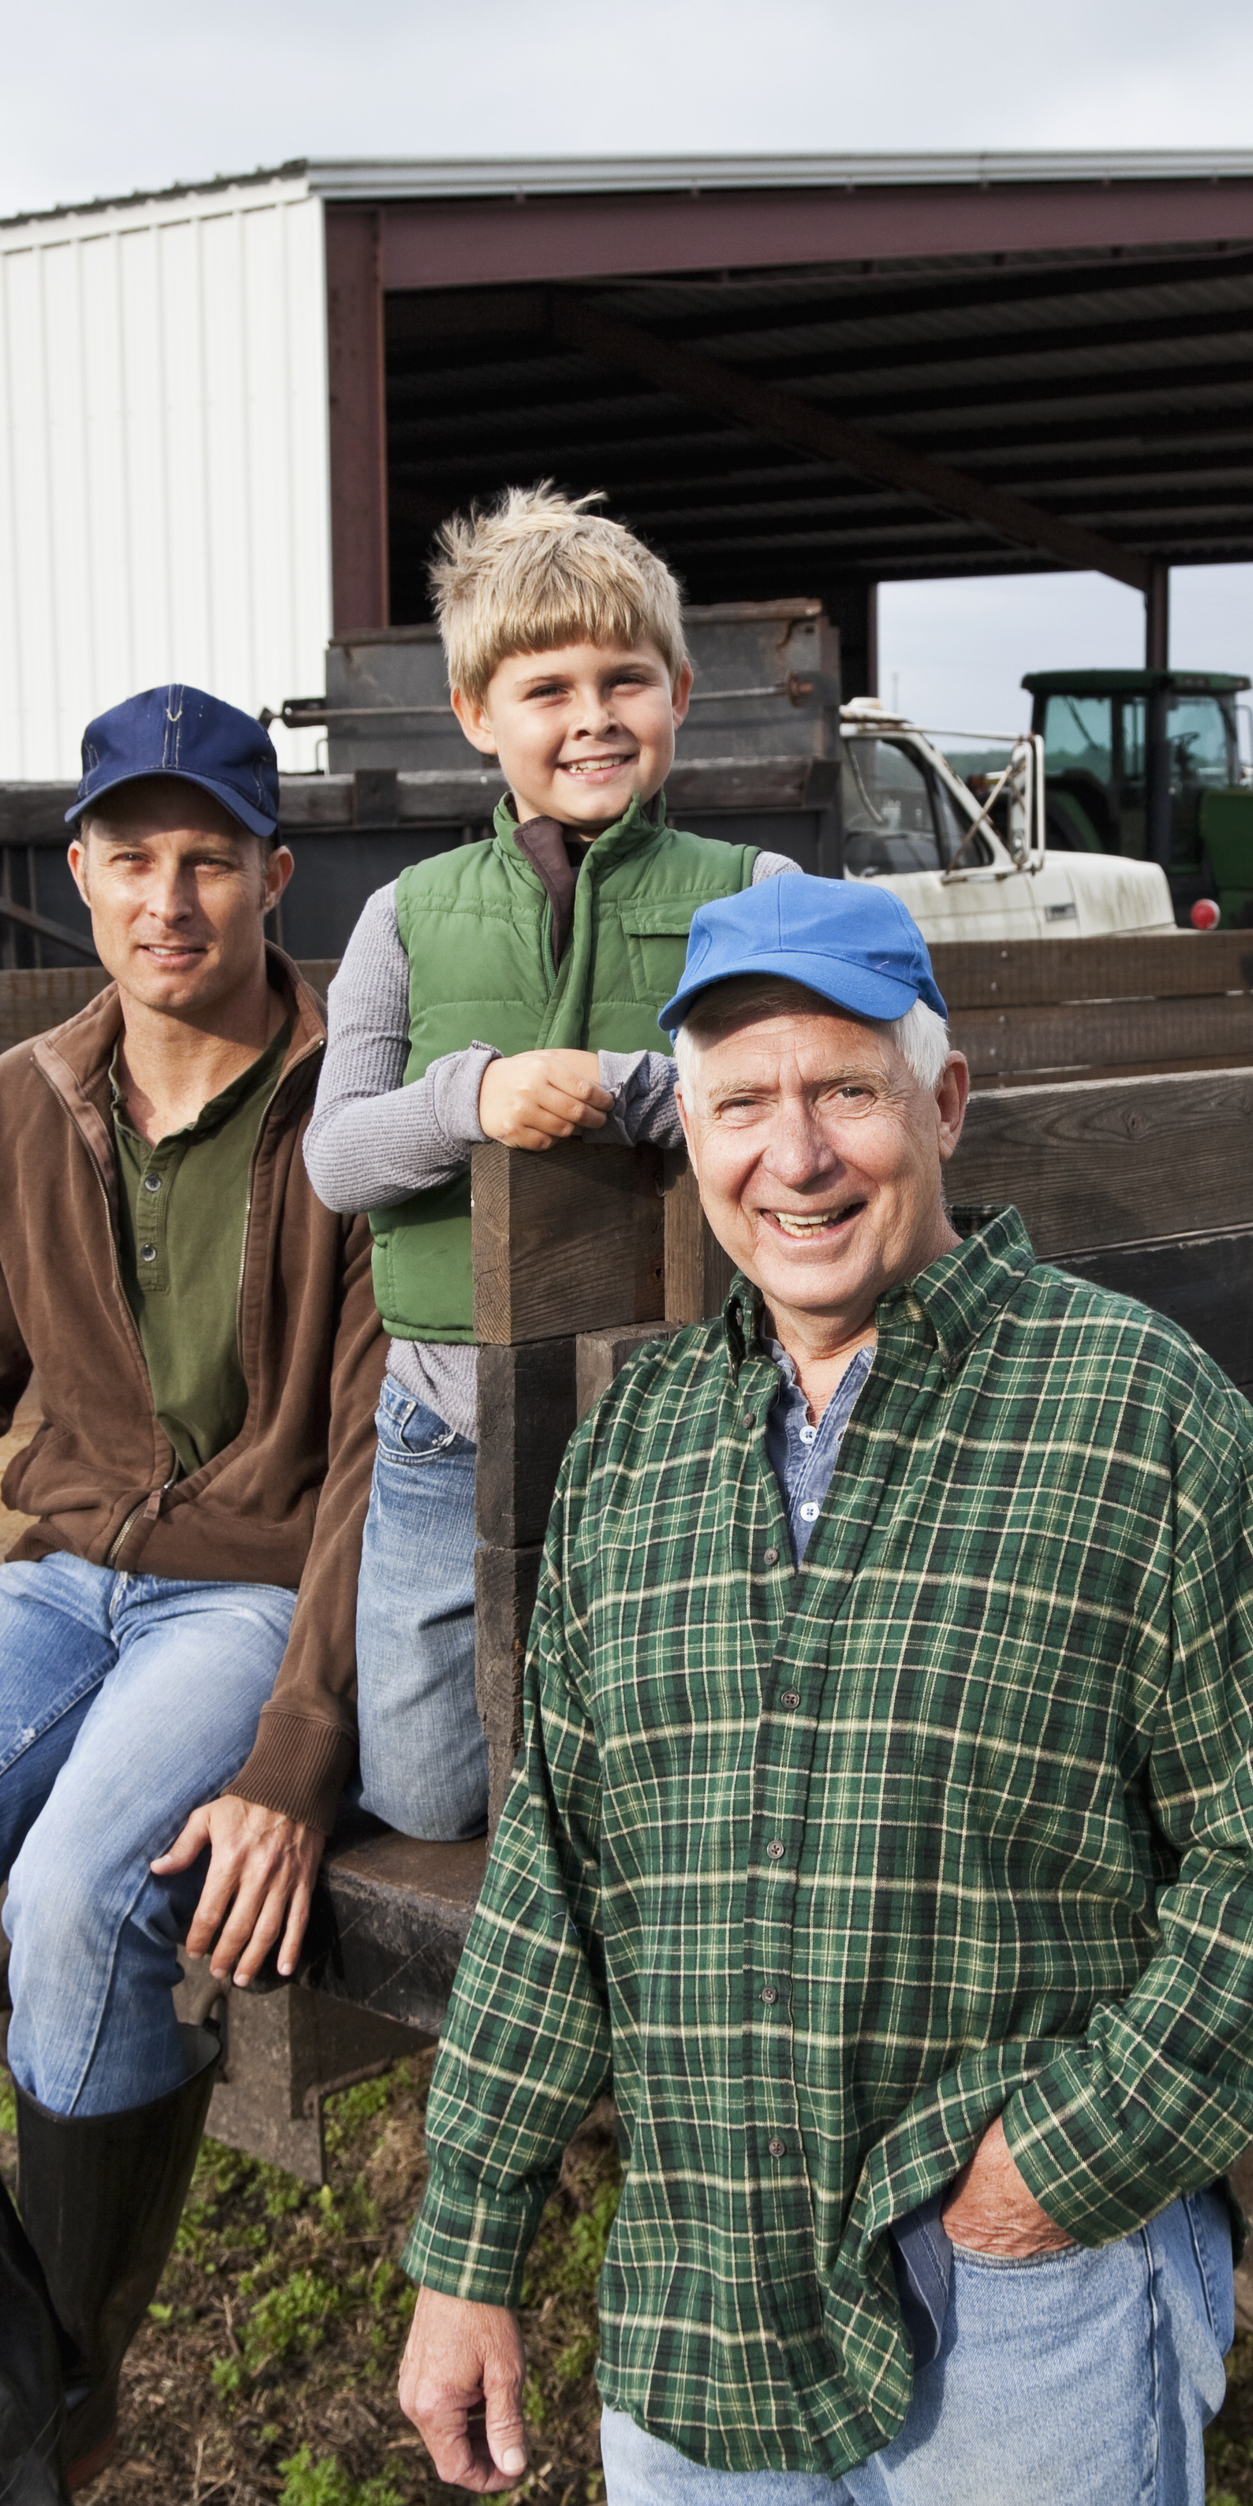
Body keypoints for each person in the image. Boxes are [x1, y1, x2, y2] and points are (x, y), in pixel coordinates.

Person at [391, 874, 1253, 2506]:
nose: (796, 1156)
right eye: (741, 1103)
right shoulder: (636, 1449)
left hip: (1014, 2308)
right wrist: (469, 2245)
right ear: (692, 1135)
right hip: (698, 2298)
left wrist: (1046, 2180)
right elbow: (554, 1882)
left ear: (945, 1103)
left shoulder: (1136, 1415)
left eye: (847, 1089)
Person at [0, 684, 387, 2506]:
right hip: (53, 1587)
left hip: (246, 1598)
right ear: (80, 876)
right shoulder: (17, 1103)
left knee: (77, 1911)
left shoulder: (355, 1109)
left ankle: (50, 2414)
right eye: (131, 856)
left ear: (274, 876)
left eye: (208, 859)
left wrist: (301, 1743)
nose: (167, 897)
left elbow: (374, 1459)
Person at [302, 486, 792, 1843]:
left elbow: (804, 1106)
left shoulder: (753, 891)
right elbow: (338, 1160)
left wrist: (628, 1092)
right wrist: (473, 1092)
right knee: (424, 1792)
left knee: (677, 1758)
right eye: (547, 687)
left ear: (679, 692)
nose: (592, 715)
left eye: (624, 678)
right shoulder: (403, 917)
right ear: (476, 713)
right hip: (444, 1415)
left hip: (687, 1399)